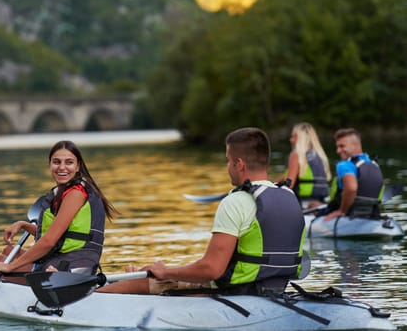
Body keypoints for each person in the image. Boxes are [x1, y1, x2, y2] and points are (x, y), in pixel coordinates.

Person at [98, 127, 306, 295]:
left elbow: (211, 269)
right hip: (276, 289)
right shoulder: (289, 197)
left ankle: (91, 298)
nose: (227, 167)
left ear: (239, 164)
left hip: (238, 292)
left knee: (148, 280)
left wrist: (164, 271)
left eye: (227, 160)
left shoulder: (236, 201)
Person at [0, 140, 119, 277]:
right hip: (66, 260)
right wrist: (23, 224)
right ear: (49, 165)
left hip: (71, 269)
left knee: (3, 262)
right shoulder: (65, 192)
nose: (62, 167)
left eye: (69, 162)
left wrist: (10, 268)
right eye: (56, 162)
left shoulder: (76, 193)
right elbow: (61, 234)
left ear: (78, 166)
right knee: (6, 253)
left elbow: (49, 241)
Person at [321, 128, 384, 221]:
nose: (338, 151)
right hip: (371, 214)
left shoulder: (344, 165)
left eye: (342, 146)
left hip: (349, 215)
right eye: (337, 147)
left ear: (355, 145)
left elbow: (351, 188)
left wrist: (342, 211)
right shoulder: (373, 163)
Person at [277, 122, 331, 206]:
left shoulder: (296, 155)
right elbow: (285, 177)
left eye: (294, 137)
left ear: (302, 139)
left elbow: (289, 185)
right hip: (321, 203)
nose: (291, 140)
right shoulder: (319, 155)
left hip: (303, 205)